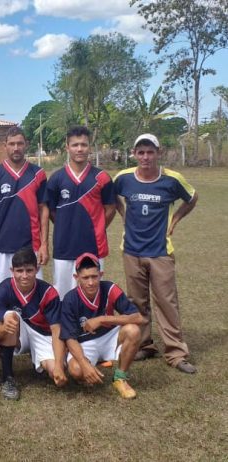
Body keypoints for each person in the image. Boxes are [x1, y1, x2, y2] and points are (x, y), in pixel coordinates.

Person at [114, 134, 198, 374]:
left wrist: (176, 219)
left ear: (158, 153)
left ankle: (176, 353)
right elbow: (112, 197)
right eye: (141, 152)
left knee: (166, 302)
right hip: (131, 251)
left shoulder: (171, 179)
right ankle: (144, 345)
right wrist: (124, 214)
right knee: (137, 302)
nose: (145, 157)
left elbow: (192, 197)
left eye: (150, 152)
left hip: (160, 251)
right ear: (134, 154)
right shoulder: (123, 178)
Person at [45, 126, 116, 299]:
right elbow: (51, 211)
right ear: (67, 147)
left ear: (90, 147)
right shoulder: (56, 178)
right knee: (62, 294)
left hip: (93, 245)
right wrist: (65, 226)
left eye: (83, 145)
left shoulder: (102, 177)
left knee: (92, 293)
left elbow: (110, 208)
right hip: (63, 246)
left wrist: (96, 227)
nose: (79, 149)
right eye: (75, 145)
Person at [60, 253, 143, 399]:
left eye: (94, 276)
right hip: (84, 343)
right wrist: (84, 364)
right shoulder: (70, 299)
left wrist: (102, 319)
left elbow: (138, 317)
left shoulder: (110, 288)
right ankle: (88, 370)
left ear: (101, 274)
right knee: (77, 370)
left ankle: (120, 378)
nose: (91, 282)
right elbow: (70, 339)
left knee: (133, 330)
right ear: (76, 277)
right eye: (85, 278)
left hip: (108, 336)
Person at [0, 247, 66, 400]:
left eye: (29, 270)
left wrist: (58, 365)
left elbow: (56, 330)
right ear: (12, 271)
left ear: (37, 269)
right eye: (19, 271)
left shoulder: (48, 292)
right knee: (11, 317)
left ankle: (38, 357)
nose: (24, 276)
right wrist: (4, 328)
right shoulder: (2, 290)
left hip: (43, 335)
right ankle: (8, 378)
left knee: (55, 372)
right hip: (18, 333)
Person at [0, 126, 49, 293]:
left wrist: (44, 245)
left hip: (31, 245)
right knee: (0, 294)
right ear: (5, 146)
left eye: (20, 143)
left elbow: (43, 210)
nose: (16, 148)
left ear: (26, 144)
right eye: (12, 144)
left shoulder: (38, 174)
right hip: (0, 247)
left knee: (32, 294)